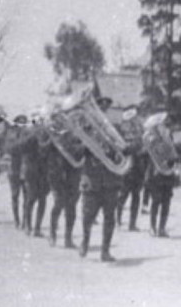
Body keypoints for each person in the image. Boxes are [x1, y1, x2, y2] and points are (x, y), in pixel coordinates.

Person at [79, 96, 122, 262]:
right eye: (98, 110)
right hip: (92, 179)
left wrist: (117, 145)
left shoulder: (115, 130)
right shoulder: (84, 131)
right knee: (87, 216)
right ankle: (85, 242)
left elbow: (124, 152)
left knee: (110, 217)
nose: (101, 115)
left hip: (111, 181)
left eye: (103, 111)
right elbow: (78, 152)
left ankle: (105, 251)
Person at [44, 131, 82, 248]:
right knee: (58, 204)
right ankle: (52, 234)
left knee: (71, 208)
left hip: (73, 176)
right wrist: (52, 139)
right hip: (57, 176)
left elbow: (81, 152)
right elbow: (42, 150)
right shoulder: (51, 136)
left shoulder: (78, 135)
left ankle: (68, 238)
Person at [116, 106, 147, 232]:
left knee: (136, 197)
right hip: (128, 169)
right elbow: (122, 149)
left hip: (138, 168)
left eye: (135, 120)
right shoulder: (122, 134)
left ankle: (132, 224)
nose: (134, 123)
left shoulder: (141, 134)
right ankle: (117, 219)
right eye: (131, 120)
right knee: (123, 195)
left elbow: (144, 149)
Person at [20, 119, 49, 237]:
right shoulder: (28, 134)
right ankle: (28, 226)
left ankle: (37, 228)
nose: (40, 125)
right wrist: (34, 135)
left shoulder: (47, 134)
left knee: (42, 200)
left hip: (44, 172)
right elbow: (21, 146)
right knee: (31, 198)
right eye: (38, 123)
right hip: (31, 171)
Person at [5, 115, 29, 228]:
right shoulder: (11, 135)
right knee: (15, 196)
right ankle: (16, 220)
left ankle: (25, 220)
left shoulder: (27, 135)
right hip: (14, 169)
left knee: (27, 196)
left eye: (24, 123)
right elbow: (9, 148)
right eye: (20, 123)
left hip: (25, 169)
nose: (22, 125)